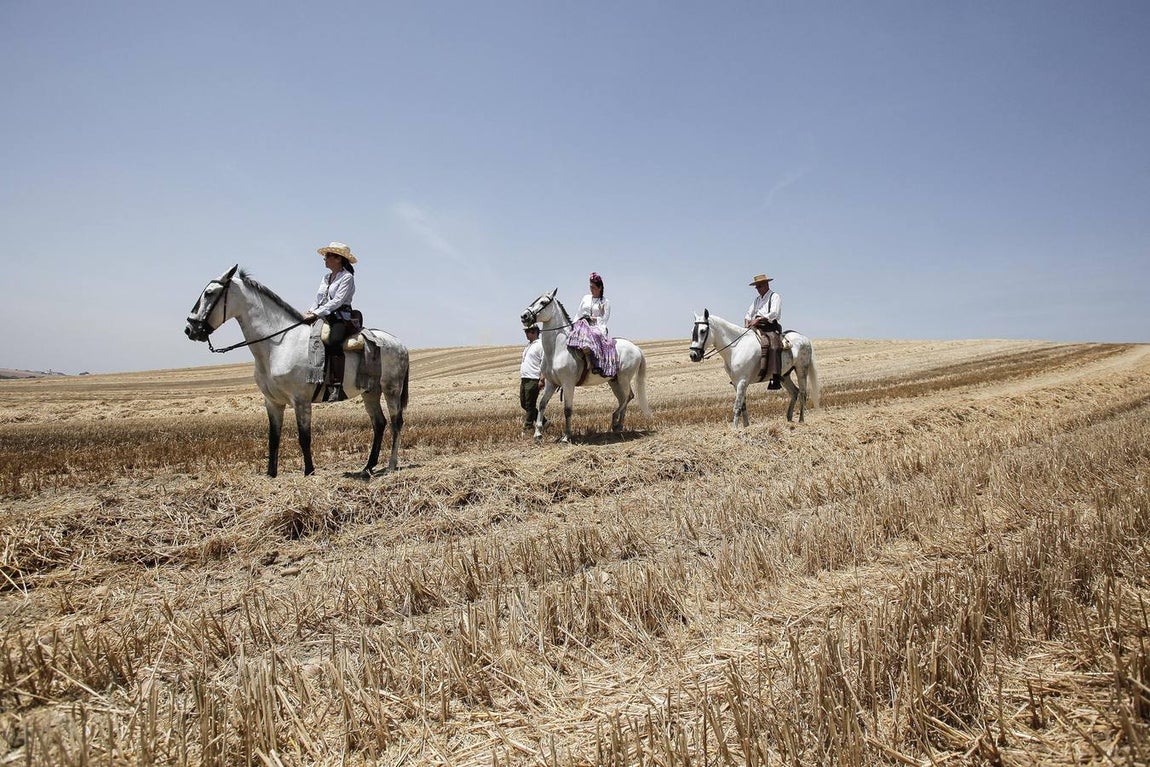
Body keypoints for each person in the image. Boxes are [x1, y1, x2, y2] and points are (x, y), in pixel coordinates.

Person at [303, 241, 357, 402]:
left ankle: (336, 386)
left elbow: (337, 301)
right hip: (323, 314)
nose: (324, 259)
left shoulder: (347, 277)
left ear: (338, 259)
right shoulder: (326, 277)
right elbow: (319, 299)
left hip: (340, 316)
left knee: (334, 342)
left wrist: (316, 313)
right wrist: (311, 311)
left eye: (328, 256)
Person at [744, 273, 783, 389]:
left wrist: (759, 319)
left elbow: (774, 313)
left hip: (770, 326)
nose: (757, 289)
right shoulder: (757, 300)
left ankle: (775, 378)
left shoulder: (774, 296)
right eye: (756, 287)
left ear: (766, 285)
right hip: (756, 326)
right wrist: (747, 321)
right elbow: (749, 313)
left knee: (774, 347)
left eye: (759, 286)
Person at [519, 324, 545, 431]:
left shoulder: (541, 345)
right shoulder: (529, 345)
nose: (526, 334)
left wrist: (542, 379)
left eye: (527, 331)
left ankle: (528, 427)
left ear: (534, 332)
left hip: (533, 378)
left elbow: (544, 363)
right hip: (524, 378)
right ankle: (544, 422)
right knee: (524, 403)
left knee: (530, 405)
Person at [577, 272, 611, 337]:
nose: (591, 290)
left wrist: (594, 319)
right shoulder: (585, 298)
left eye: (593, 287)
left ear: (600, 288)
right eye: (590, 287)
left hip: (597, 328)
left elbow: (604, 319)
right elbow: (579, 314)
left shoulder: (605, 302)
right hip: (582, 326)